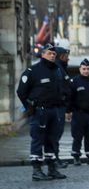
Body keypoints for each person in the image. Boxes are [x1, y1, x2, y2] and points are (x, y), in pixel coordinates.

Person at [16, 43, 68, 181]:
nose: (52, 56)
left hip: (54, 110)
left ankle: (52, 168)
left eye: (54, 54)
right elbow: (21, 92)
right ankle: (37, 170)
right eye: (49, 54)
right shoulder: (33, 71)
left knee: (52, 140)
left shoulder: (57, 70)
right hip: (40, 112)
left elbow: (64, 88)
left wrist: (64, 104)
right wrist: (29, 107)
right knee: (38, 140)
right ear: (43, 54)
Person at [53, 46, 71, 169]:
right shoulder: (58, 69)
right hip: (57, 106)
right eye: (65, 56)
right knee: (55, 133)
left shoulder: (61, 68)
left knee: (57, 134)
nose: (68, 58)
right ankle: (54, 159)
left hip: (60, 105)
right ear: (60, 56)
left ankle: (55, 158)